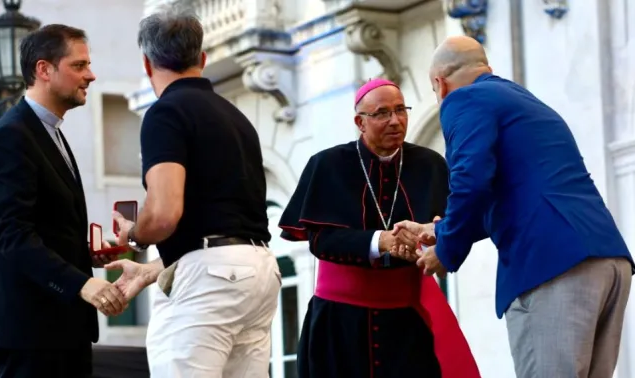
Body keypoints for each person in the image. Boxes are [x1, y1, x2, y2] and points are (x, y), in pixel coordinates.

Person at [398, 35, 634, 378]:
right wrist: (439, 229)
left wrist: (447, 250)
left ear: (440, 83)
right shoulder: (525, 101)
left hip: (551, 263)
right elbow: (517, 191)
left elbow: (472, 178)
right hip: (607, 260)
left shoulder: (463, 99)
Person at [104, 5, 281, 377]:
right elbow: (220, 216)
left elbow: (165, 213)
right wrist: (155, 268)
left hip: (212, 280)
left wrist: (134, 235)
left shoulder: (165, 113)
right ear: (201, 58)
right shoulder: (236, 117)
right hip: (260, 270)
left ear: (148, 65)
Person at [278, 78, 481, 378]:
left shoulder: (430, 165)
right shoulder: (328, 165)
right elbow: (321, 241)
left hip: (407, 322)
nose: (395, 121)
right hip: (339, 323)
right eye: (383, 113)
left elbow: (452, 226)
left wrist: (431, 244)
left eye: (401, 110)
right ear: (360, 122)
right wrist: (380, 241)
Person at [0, 24, 127, 378]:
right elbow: (12, 236)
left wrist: (85, 255)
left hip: (59, 328)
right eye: (79, 65)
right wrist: (81, 283)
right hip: (30, 331)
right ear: (44, 70)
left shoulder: (48, 131)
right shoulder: (11, 137)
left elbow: (43, 229)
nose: (91, 75)